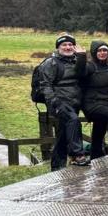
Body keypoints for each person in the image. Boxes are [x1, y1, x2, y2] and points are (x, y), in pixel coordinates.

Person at [40, 34, 90, 169]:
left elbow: (82, 75)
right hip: (59, 103)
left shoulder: (75, 60)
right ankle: (77, 155)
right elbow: (45, 85)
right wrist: (55, 103)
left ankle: (57, 167)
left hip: (74, 102)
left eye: (70, 45)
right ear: (58, 47)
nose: (67, 47)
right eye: (64, 45)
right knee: (73, 121)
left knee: (62, 136)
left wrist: (82, 57)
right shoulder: (51, 63)